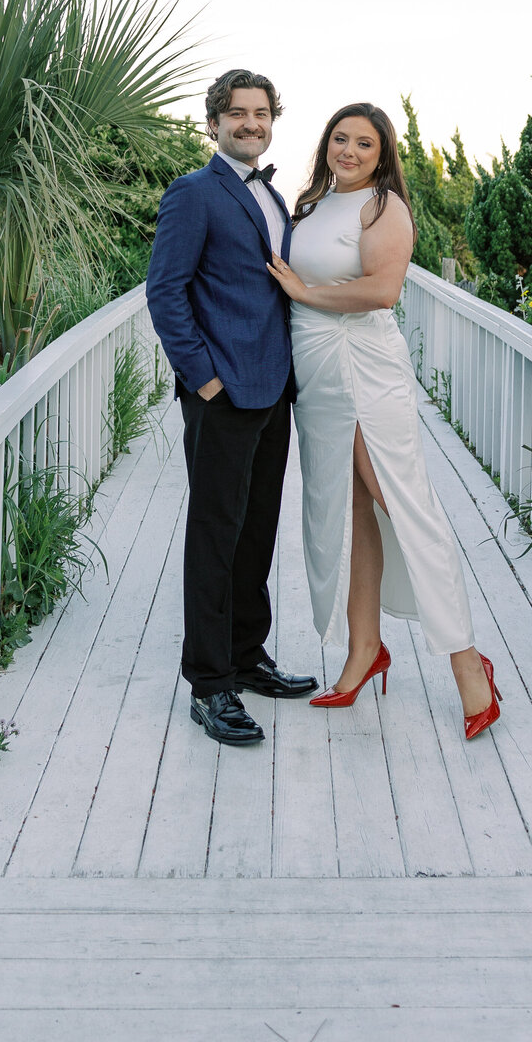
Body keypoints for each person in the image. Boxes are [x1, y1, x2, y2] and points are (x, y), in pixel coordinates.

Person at [266, 102, 501, 740]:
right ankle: (363, 649)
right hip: (316, 370)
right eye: (339, 139)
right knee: (351, 509)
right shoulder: (311, 201)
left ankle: (467, 664)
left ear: (382, 153)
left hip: (364, 365)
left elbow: (382, 290)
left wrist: (306, 295)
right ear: (326, 145)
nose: (348, 151)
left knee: (401, 503)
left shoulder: (383, 207)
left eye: (363, 144)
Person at [146, 70, 318, 747]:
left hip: (274, 391)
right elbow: (166, 292)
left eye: (261, 113)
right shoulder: (194, 194)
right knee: (216, 537)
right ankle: (210, 684)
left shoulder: (271, 194)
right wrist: (205, 380)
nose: (251, 124)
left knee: (256, 532)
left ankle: (248, 657)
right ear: (213, 122)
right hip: (224, 393)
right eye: (237, 113)